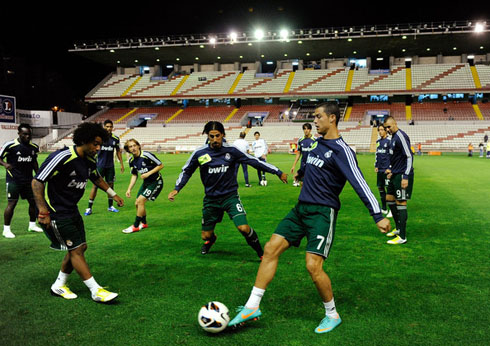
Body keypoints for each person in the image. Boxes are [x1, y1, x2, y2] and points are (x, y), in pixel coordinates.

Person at [228, 102, 390, 333]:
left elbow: (359, 183)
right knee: (271, 248)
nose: (314, 120)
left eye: (318, 116)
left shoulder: (342, 150)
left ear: (332, 118)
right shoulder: (316, 143)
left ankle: (332, 314)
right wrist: (302, 173)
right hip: (300, 209)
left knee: (313, 266)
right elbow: (311, 164)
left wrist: (377, 215)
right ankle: (252, 306)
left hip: (322, 213)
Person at [31, 122, 123, 302]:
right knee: (76, 250)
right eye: (95, 144)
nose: (98, 148)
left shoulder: (89, 161)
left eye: (100, 144)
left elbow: (96, 178)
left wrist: (114, 194)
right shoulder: (63, 156)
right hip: (55, 211)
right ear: (83, 140)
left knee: (80, 247)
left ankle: (59, 285)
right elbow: (37, 181)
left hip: (71, 209)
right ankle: (96, 291)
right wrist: (43, 211)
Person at [168, 121, 288, 258]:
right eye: (211, 136)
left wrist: (277, 172)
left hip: (230, 197)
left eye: (217, 136)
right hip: (211, 199)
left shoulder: (231, 150)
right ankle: (211, 240)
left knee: (243, 228)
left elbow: (254, 161)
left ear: (223, 135)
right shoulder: (200, 153)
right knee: (205, 235)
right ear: (207, 136)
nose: (214, 140)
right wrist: (177, 188)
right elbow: (187, 171)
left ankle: (261, 253)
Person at [0, 123, 43, 238]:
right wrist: (5, 164)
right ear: (19, 133)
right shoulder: (10, 145)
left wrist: (38, 175)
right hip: (14, 180)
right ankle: (6, 229)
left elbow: (34, 162)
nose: (27, 137)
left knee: (33, 202)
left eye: (29, 134)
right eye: (24, 134)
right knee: (12, 203)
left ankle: (32, 225)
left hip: (29, 180)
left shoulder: (33, 147)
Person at [383, 116, 414, 245]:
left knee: (401, 203)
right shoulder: (393, 138)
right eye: (386, 128)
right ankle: (398, 228)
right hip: (395, 174)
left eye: (389, 127)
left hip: (402, 175)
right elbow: (396, 157)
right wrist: (391, 170)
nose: (388, 129)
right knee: (389, 199)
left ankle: (402, 236)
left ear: (395, 124)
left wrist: (405, 176)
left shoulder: (401, 136)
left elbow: (409, 156)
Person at [122, 139, 164, 233]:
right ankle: (144, 223)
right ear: (128, 150)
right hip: (146, 183)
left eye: (134, 145)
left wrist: (148, 173)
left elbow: (160, 165)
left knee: (140, 201)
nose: (133, 148)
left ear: (138, 146)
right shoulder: (131, 160)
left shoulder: (146, 155)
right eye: (130, 147)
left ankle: (136, 225)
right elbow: (134, 175)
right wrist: (129, 189)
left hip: (156, 182)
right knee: (137, 203)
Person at [85, 119, 124, 216]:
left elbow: (118, 151)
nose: (109, 128)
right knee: (95, 186)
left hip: (110, 166)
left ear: (112, 127)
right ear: (104, 127)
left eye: (110, 126)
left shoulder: (115, 138)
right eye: (107, 126)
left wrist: (122, 163)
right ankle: (89, 208)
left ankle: (110, 206)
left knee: (110, 186)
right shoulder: (99, 139)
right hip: (99, 166)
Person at [290, 123, 315, 187]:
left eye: (308, 129)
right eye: (304, 129)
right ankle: (303, 197)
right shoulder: (300, 140)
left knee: (311, 183)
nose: (306, 130)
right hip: (303, 165)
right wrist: (293, 165)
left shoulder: (315, 140)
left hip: (312, 165)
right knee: (302, 183)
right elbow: (298, 153)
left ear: (310, 130)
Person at [375, 125, 392, 217]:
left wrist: (390, 167)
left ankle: (391, 210)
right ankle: (384, 208)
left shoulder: (389, 142)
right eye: (379, 130)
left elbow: (392, 156)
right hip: (380, 170)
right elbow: (377, 154)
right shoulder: (378, 142)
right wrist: (376, 165)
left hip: (387, 170)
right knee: (380, 188)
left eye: (382, 130)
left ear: (386, 131)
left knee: (389, 189)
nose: (380, 131)